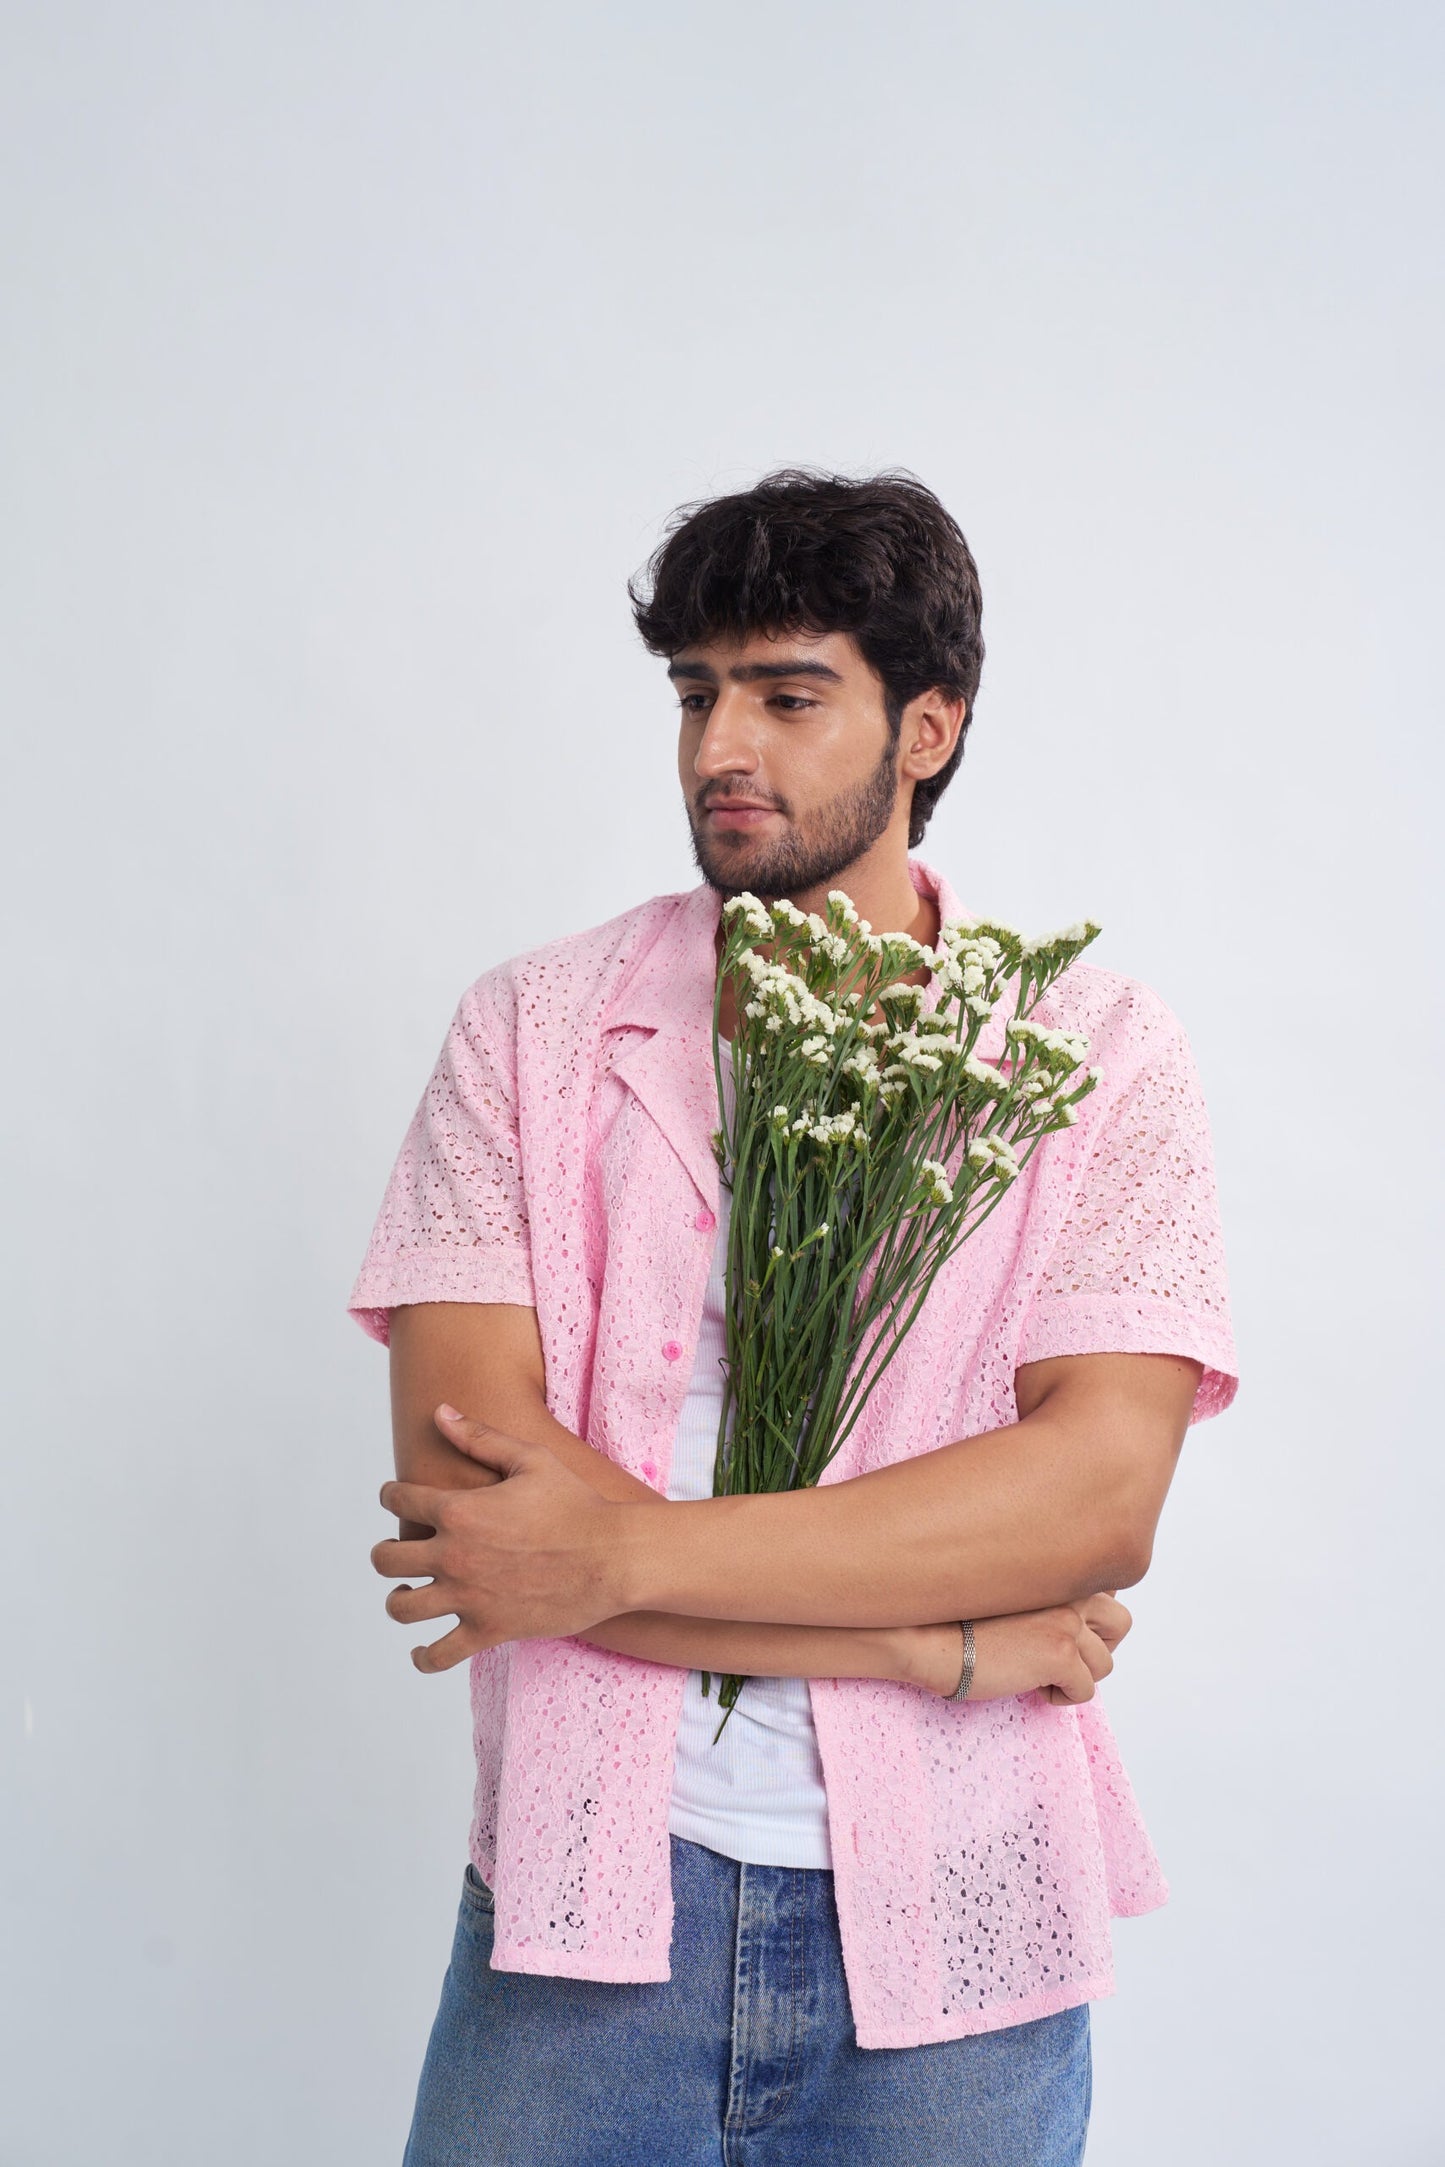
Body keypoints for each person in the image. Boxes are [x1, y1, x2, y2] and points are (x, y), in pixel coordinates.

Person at [349, 469, 1238, 2167]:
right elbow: (481, 1514)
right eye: (693, 692)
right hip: (582, 1915)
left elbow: (1093, 1503)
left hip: (961, 1937)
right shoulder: (532, 1030)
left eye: (786, 693)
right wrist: (934, 1642)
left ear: (927, 726)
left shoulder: (1093, 1052)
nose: (716, 750)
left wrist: (610, 1557)